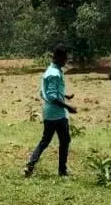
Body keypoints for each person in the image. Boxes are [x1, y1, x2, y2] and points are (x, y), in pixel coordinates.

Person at [23, 47, 77, 178]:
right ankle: (62, 171)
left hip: (49, 112)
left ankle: (30, 165)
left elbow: (45, 92)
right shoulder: (54, 74)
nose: (65, 61)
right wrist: (68, 107)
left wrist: (65, 95)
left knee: (45, 141)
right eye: (64, 58)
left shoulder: (51, 71)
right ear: (57, 58)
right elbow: (52, 97)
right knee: (64, 141)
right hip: (57, 114)